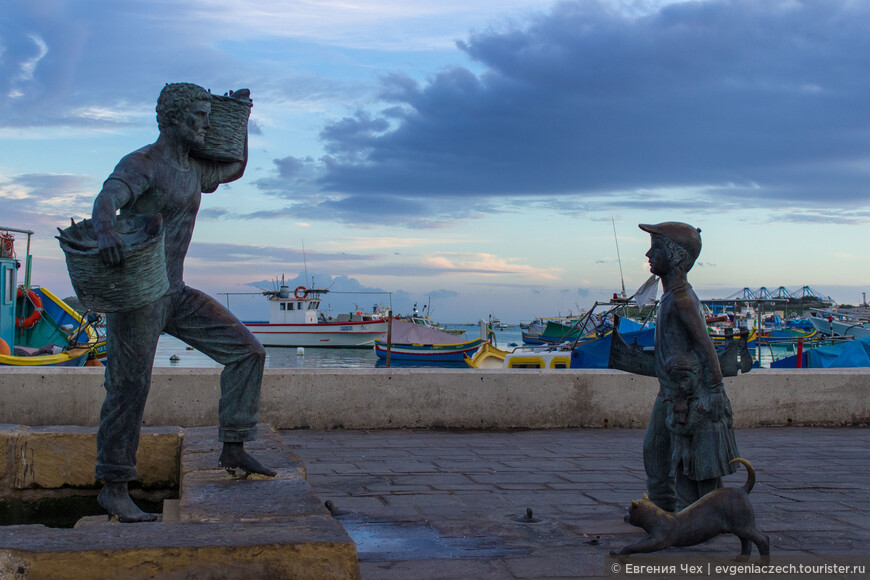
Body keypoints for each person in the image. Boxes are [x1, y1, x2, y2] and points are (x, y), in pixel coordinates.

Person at [92, 82, 274, 523]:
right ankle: (114, 487)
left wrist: (241, 114)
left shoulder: (193, 167)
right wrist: (105, 229)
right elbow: (107, 198)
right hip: (138, 297)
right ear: (172, 119)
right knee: (129, 388)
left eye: (209, 117)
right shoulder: (143, 164)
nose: (205, 125)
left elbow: (233, 166)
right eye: (199, 117)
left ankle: (233, 447)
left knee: (247, 352)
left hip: (174, 291)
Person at [639, 222, 738, 512]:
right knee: (655, 450)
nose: (648, 254)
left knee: (684, 459)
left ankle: (686, 514)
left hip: (686, 394)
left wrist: (716, 391)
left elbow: (705, 346)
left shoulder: (682, 300)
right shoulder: (670, 297)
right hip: (669, 390)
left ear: (677, 257)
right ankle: (664, 511)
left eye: (655, 248)